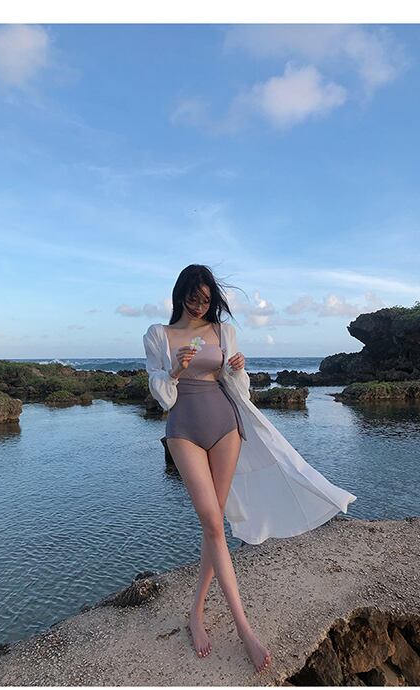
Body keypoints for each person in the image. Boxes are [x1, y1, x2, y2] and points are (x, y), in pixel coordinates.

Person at [143, 264, 357, 673]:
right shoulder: (159, 334)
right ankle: (244, 629)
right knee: (211, 521)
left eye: (206, 299)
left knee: (215, 527)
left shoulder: (222, 332)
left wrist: (237, 367)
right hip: (183, 430)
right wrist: (175, 369)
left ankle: (196, 612)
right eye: (193, 297)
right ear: (180, 293)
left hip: (226, 426)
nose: (199, 305)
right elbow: (164, 397)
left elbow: (236, 386)